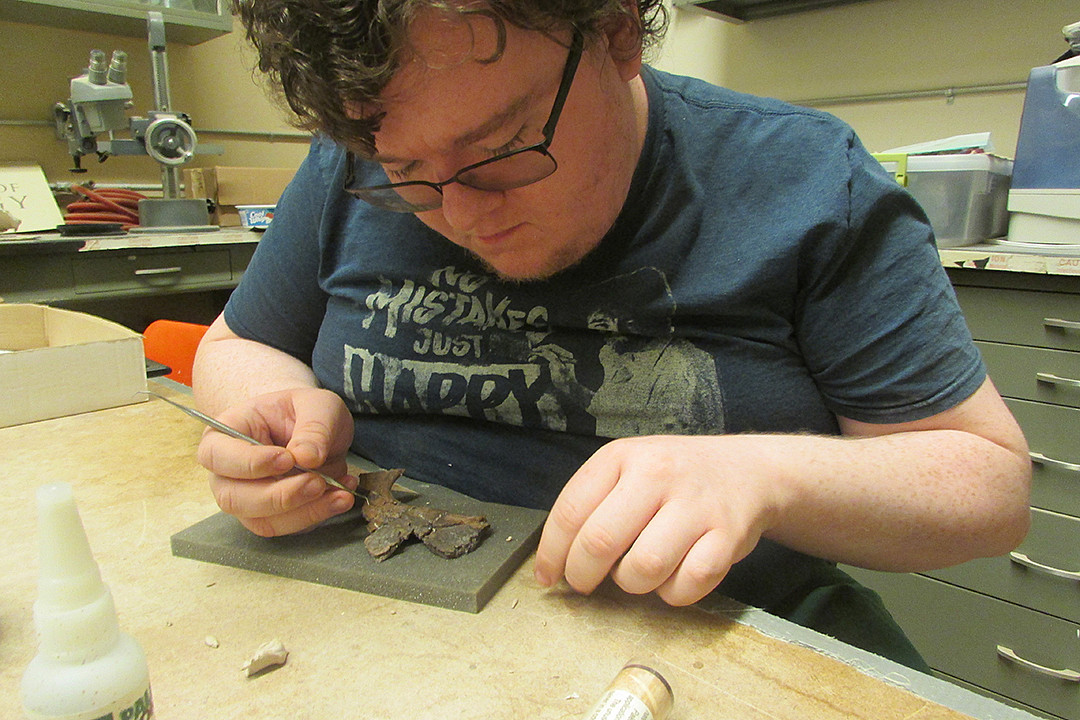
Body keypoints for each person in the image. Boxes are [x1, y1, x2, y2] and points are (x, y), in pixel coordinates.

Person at [192, 0, 1031, 668]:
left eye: (501, 148)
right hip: (385, 628)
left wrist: (766, 474)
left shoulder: (806, 181)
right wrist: (274, 411)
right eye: (406, 173)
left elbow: (989, 490)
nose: (461, 213)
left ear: (617, 30)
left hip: (713, 643)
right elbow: (236, 344)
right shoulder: (346, 159)